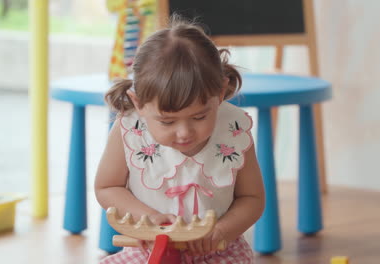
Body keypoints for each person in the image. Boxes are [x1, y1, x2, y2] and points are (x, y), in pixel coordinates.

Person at [95, 16, 265, 264]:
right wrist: (148, 218)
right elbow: (107, 187)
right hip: (148, 249)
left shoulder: (234, 128)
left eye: (199, 116)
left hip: (217, 251)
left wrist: (222, 231)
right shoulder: (130, 128)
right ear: (138, 103)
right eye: (167, 121)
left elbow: (252, 198)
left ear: (219, 93)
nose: (184, 132)